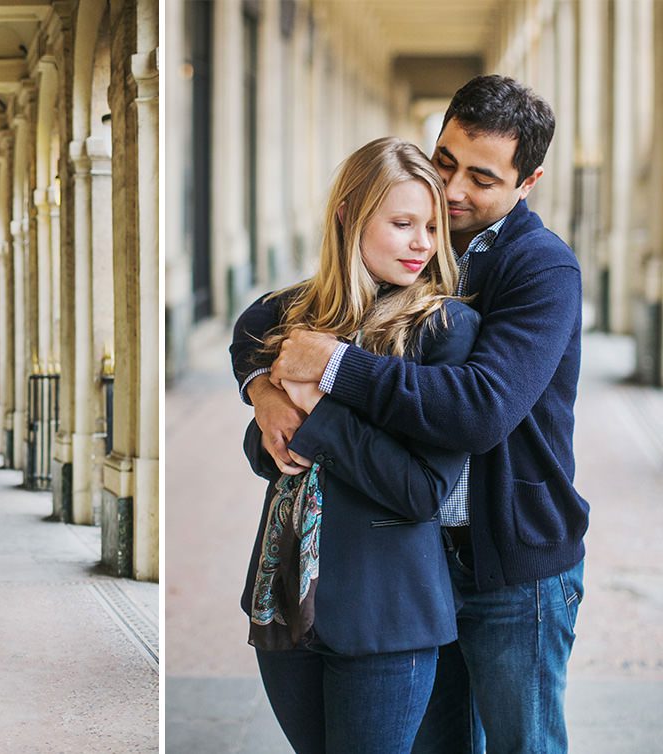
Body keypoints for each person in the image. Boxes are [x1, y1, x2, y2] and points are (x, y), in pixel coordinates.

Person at [231, 75, 588, 754]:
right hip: (418, 563)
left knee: (524, 745)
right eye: (446, 161)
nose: (451, 191)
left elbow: (480, 408)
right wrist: (263, 387)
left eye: (480, 178)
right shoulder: (426, 253)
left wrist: (330, 368)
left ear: (527, 182)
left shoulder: (542, 269)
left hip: (513, 569)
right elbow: (261, 321)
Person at [237, 136, 481, 753]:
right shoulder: (294, 317)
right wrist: (263, 397)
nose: (424, 242)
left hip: (386, 617)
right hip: (285, 600)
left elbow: (421, 490)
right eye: (403, 223)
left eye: (430, 225)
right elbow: (247, 336)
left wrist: (316, 406)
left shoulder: (443, 330)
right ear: (348, 214)